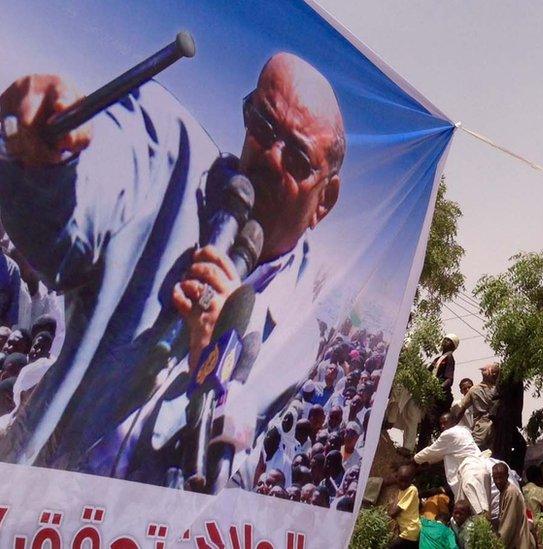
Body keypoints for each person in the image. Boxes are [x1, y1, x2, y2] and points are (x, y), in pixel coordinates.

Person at [0, 52, 347, 477]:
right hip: (27, 480)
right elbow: (64, 221)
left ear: (324, 201)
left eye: (296, 158)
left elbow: (228, 474)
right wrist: (47, 157)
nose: (271, 158)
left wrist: (213, 359)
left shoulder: (298, 339)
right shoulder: (168, 155)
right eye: (263, 127)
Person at [414, 413, 492, 515]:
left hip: (470, 474)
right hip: (479, 471)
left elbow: (431, 451)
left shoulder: (449, 434)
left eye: (445, 422)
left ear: (454, 422)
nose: (442, 426)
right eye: (440, 424)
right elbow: (440, 454)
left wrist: (414, 460)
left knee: (477, 511)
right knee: (478, 510)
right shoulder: (463, 432)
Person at [418, 334, 459, 449]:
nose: (445, 342)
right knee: (428, 424)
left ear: (453, 346)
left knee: (431, 423)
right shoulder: (438, 358)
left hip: (441, 398)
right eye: (444, 339)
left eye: (449, 341)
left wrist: (438, 389)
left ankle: (425, 453)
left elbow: (449, 380)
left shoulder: (449, 358)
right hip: (433, 395)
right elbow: (428, 371)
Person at [492, 462, 537, 549]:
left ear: (507, 476)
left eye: (500, 477)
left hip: (520, 542)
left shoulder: (510, 492)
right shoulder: (504, 491)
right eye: (495, 478)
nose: (498, 481)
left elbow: (508, 524)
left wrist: (498, 545)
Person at [454, 364, 497, 450]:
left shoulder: (475, 390)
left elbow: (460, 410)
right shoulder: (497, 389)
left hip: (484, 427)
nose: (467, 390)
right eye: (464, 388)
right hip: (489, 427)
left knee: (475, 451)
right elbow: (459, 411)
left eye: (469, 387)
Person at [389, 465, 421, 549]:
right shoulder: (403, 491)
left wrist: (397, 495)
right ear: (396, 478)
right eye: (400, 480)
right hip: (407, 530)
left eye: (406, 481)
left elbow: (393, 513)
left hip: (410, 530)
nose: (403, 484)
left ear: (411, 480)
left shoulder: (412, 490)